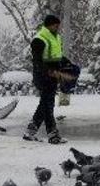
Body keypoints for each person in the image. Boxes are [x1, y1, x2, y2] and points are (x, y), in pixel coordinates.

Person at [24, 15, 68, 144]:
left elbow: (56, 57)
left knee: (45, 104)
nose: (58, 27)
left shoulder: (56, 38)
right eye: (55, 25)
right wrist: (48, 71)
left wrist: (63, 67)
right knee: (47, 105)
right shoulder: (39, 39)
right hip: (43, 76)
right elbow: (37, 61)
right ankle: (53, 135)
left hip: (53, 76)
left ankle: (30, 131)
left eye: (58, 25)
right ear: (49, 25)